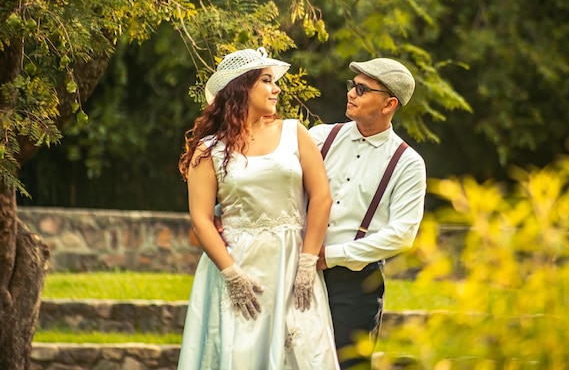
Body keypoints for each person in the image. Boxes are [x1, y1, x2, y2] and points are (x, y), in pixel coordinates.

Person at [177, 47, 340, 370]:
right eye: (266, 80)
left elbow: (321, 196)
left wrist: (307, 261)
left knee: (304, 351)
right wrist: (232, 274)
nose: (276, 88)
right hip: (236, 265)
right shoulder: (208, 149)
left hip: (292, 264)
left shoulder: (295, 133)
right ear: (241, 87)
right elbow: (202, 219)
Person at [308, 58, 427, 369]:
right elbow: (274, 182)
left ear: (389, 104)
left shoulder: (407, 163)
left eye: (362, 89)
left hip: (356, 283)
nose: (351, 93)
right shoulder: (320, 137)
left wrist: (332, 255)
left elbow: (402, 235)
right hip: (300, 269)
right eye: (352, 86)